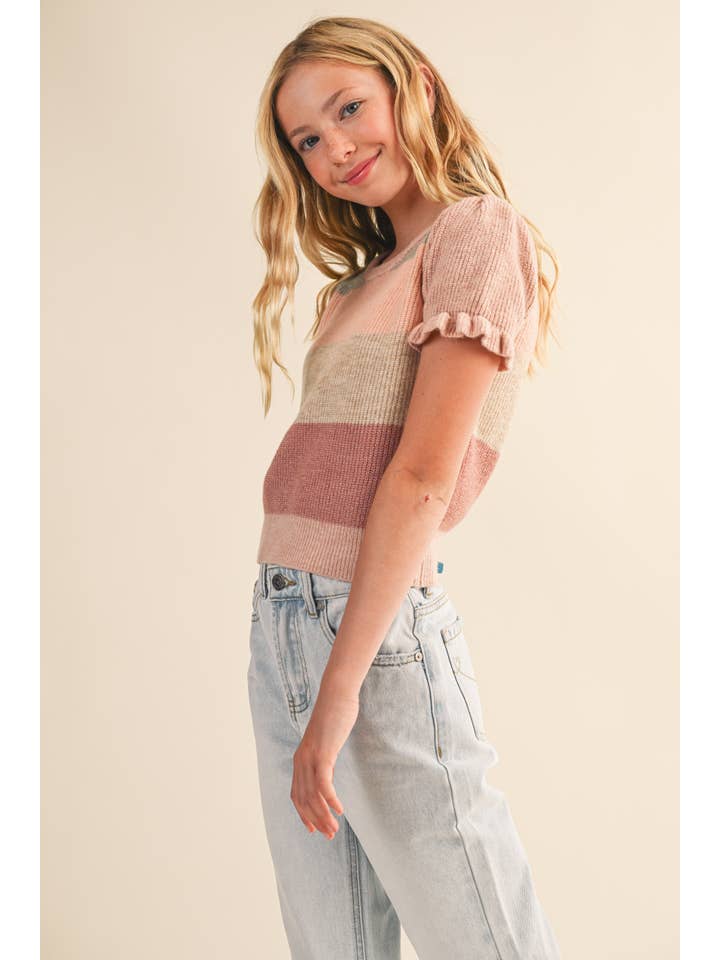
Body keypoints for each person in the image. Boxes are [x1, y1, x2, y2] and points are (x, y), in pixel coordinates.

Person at [247, 15, 562, 960]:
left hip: (371, 638)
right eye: (308, 139)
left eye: (349, 109)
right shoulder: (356, 289)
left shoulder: (476, 234)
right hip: (283, 623)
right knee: (331, 945)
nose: (335, 149)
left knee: (483, 941)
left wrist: (340, 688)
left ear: (414, 85)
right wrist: (308, 671)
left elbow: (422, 479)